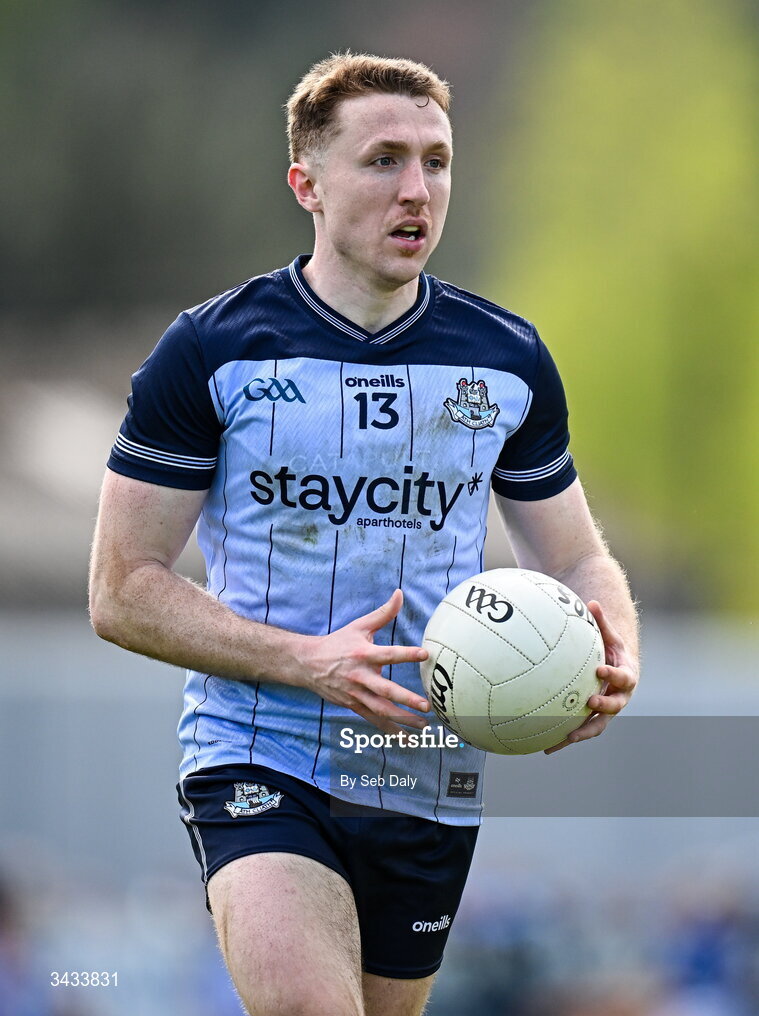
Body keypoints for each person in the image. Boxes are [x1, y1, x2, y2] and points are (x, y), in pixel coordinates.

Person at [89, 52, 639, 1016]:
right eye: (383, 159)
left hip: (422, 763)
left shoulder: (504, 358)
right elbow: (121, 588)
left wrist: (611, 644)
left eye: (437, 160)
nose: (417, 188)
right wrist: (305, 661)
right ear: (306, 183)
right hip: (258, 746)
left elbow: (576, 556)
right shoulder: (212, 351)